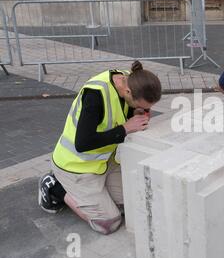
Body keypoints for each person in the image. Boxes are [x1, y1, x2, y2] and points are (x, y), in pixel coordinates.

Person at [38, 61, 162, 235]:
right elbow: (83, 143)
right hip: (76, 167)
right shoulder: (95, 94)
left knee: (135, 202)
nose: (144, 111)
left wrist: (138, 114)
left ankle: (97, 197)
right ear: (128, 92)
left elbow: (125, 112)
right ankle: (54, 187)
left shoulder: (133, 80)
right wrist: (125, 128)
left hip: (103, 163)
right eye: (141, 106)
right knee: (109, 223)